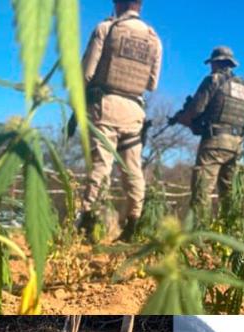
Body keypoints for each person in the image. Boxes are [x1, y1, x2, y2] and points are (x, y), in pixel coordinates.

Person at [78, 0, 163, 242]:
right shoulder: (154, 39)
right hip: (135, 110)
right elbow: (152, 84)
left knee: (101, 165)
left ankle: (88, 221)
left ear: (117, 3)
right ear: (140, 6)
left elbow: (86, 72)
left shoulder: (106, 29)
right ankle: (133, 222)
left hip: (105, 105)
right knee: (132, 169)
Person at [169, 46, 244, 215]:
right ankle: (230, 226)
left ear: (217, 63)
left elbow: (195, 110)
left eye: (212, 64)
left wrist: (182, 118)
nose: (211, 67)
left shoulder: (213, 80)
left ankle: (199, 229)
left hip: (214, 143)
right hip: (236, 144)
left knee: (202, 191)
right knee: (229, 192)